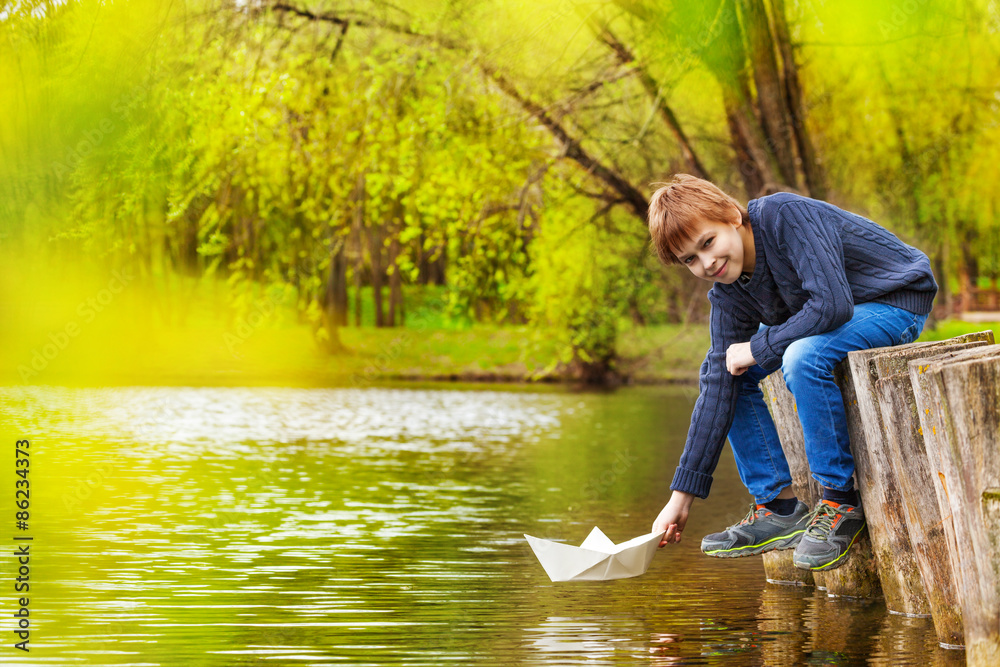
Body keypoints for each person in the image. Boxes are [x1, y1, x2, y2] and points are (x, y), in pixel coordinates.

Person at [647, 175, 937, 571]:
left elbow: (832, 305)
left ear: (732, 216)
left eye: (708, 242)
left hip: (893, 300)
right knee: (726, 372)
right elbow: (718, 387)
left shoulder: (783, 216)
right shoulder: (729, 292)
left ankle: (839, 503)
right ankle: (778, 507)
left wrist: (758, 348)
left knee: (802, 356)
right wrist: (680, 498)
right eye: (690, 260)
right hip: (838, 316)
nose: (707, 263)